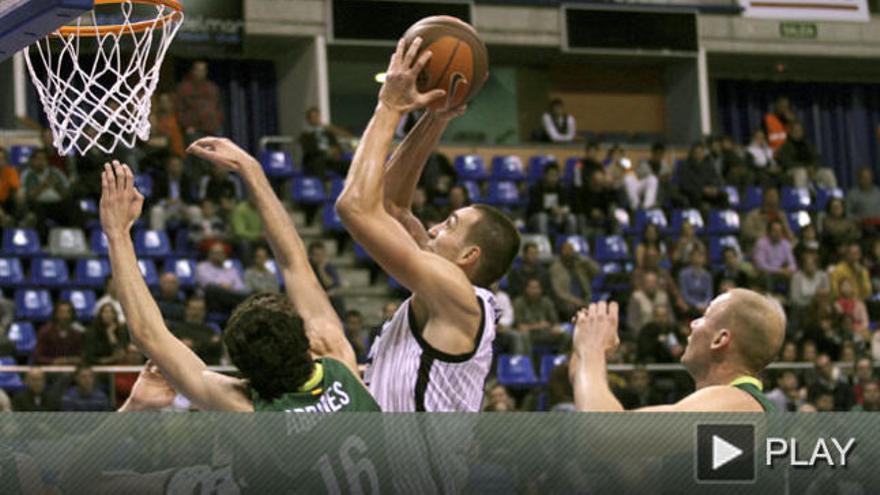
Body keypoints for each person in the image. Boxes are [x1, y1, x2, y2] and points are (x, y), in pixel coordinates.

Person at [100, 155, 378, 412]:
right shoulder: (338, 359)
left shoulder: (247, 408)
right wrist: (252, 170)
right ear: (306, 340)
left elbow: (148, 335)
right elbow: (295, 264)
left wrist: (117, 233)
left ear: (244, 376)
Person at [335, 37, 519, 412]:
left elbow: (355, 206)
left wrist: (390, 106)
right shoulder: (445, 292)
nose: (433, 228)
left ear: (470, 255)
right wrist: (436, 117)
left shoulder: (460, 298)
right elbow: (391, 204)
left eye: (450, 225)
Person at [572, 289, 786, 412]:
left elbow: (605, 435)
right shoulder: (726, 404)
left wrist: (592, 350)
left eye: (704, 316)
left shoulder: (739, 404)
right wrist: (585, 351)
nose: (693, 323)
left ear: (720, 339)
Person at [513, 278, 569, 357]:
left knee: (566, 335)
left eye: (537, 288)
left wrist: (556, 328)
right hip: (530, 335)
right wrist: (538, 326)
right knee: (524, 335)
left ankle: (559, 361)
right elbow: (520, 327)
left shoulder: (546, 301)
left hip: (546, 333)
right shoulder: (519, 303)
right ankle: (529, 364)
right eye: (532, 288)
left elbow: (555, 322)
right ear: (526, 289)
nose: (535, 291)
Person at [777, 122, 837, 190]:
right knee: (801, 172)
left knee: (828, 172)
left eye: (800, 131)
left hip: (812, 170)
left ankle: (835, 197)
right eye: (796, 131)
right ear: (790, 132)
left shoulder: (808, 145)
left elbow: (817, 158)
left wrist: (813, 167)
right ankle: (802, 197)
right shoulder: (785, 147)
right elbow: (787, 163)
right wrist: (805, 167)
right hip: (794, 171)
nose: (798, 133)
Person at [549, 240, 600, 320]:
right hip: (566, 302)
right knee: (572, 312)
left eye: (571, 250)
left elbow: (597, 271)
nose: (569, 252)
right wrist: (575, 301)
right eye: (566, 250)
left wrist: (584, 259)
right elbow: (559, 292)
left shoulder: (579, 265)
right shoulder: (556, 268)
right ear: (561, 252)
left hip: (584, 299)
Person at [148, 154, 199, 231]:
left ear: (182, 167)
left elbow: (192, 199)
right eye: (173, 165)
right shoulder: (160, 180)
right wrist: (166, 201)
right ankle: (159, 240)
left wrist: (184, 204)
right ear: (168, 167)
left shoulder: (187, 180)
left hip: (182, 209)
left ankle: (197, 240)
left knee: (195, 211)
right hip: (166, 209)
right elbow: (154, 198)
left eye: (178, 165)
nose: (176, 168)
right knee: (156, 211)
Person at [175, 61, 223, 141]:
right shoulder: (184, 88)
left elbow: (218, 106)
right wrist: (187, 126)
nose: (200, 73)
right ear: (193, 71)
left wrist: (218, 120)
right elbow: (179, 109)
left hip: (212, 127)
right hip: (194, 129)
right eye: (198, 70)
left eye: (203, 70)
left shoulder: (212, 88)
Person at [195, 243, 249, 313]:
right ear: (210, 254)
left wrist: (229, 289)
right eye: (216, 253)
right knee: (212, 288)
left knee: (248, 292)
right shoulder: (202, 267)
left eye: (221, 253)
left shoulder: (231, 270)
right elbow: (205, 283)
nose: (219, 255)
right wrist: (222, 286)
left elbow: (241, 287)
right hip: (213, 300)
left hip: (231, 298)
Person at [526, 163, 576, 236]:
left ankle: (569, 243)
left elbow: (567, 204)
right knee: (542, 217)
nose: (553, 178)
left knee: (571, 218)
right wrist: (550, 210)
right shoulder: (536, 188)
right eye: (551, 175)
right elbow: (535, 207)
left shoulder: (561, 188)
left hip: (557, 217)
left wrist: (563, 210)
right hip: (536, 217)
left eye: (556, 175)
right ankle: (544, 244)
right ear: (545, 175)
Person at [299, 106, 350, 177]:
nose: (316, 119)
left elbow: (338, 145)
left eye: (317, 117)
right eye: (313, 117)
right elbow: (310, 150)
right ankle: (322, 187)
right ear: (308, 120)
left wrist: (338, 151)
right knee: (319, 163)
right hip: (315, 160)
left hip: (329, 160)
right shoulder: (305, 135)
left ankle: (349, 186)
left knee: (349, 165)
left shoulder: (327, 132)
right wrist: (326, 152)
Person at [677, 141, 727, 211]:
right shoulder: (685, 166)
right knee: (697, 198)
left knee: (723, 196)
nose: (699, 155)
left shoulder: (708, 165)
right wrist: (702, 189)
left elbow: (715, 178)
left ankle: (723, 219)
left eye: (701, 152)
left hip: (708, 192)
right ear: (692, 154)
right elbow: (685, 185)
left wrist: (713, 188)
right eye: (697, 153)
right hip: (694, 193)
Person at [741, 187, 793, 253]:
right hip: (760, 247)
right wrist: (767, 236)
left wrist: (789, 236)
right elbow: (747, 232)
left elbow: (788, 232)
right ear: (764, 197)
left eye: (775, 196)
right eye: (771, 196)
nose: (773, 198)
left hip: (779, 246)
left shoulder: (781, 215)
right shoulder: (753, 215)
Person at [752, 220, 797, 291]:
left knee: (795, 275)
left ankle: (791, 301)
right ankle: (769, 298)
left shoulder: (785, 244)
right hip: (765, 273)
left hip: (781, 273)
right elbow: (761, 266)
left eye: (780, 231)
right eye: (775, 231)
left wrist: (789, 270)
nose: (778, 233)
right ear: (768, 232)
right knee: (767, 276)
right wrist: (779, 271)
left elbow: (793, 264)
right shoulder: (761, 243)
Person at [625, 271, 670, 340]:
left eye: (654, 282)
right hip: (643, 335)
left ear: (657, 283)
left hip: (663, 335)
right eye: (648, 282)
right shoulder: (636, 297)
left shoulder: (663, 296)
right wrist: (642, 336)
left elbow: (671, 318)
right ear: (643, 284)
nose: (651, 285)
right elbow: (632, 322)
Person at [308, 241, 345, 316]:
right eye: (317, 255)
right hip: (311, 296)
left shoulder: (328, 267)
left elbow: (333, 286)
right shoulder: (306, 267)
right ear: (310, 256)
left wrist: (321, 269)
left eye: (322, 255)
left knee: (337, 300)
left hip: (326, 296)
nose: (319, 258)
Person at [677, 248, 713, 318]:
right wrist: (696, 304)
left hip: (704, 306)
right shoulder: (683, 274)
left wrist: (705, 304)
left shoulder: (707, 276)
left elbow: (709, 294)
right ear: (690, 258)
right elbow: (684, 294)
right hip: (690, 306)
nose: (697, 259)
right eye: (695, 256)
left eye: (700, 256)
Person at [0, 146, 21, 226]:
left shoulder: (10, 171)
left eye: (2, 158)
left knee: (20, 195)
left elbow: (17, 188)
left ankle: (19, 220)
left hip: (7, 202)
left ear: (6, 160)